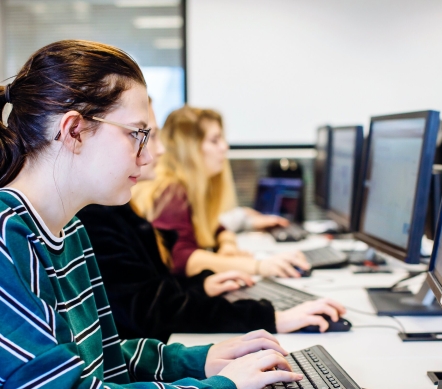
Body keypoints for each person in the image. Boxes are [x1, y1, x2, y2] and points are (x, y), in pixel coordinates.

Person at [0, 40, 304, 389]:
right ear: (74, 131)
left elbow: (106, 359)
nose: (149, 155)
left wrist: (201, 360)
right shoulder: (8, 238)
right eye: (136, 134)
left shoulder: (71, 228)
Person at [77, 102, 346, 342]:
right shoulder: (122, 208)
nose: (155, 152)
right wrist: (268, 307)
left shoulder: (120, 210)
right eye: (141, 135)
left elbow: (156, 289)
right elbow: (160, 295)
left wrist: (202, 283)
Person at [131, 105, 310, 278]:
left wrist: (227, 245)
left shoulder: (191, 190)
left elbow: (216, 227)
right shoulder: (171, 194)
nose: (224, 147)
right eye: (214, 140)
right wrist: (260, 266)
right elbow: (182, 258)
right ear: (189, 148)